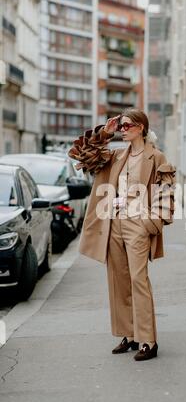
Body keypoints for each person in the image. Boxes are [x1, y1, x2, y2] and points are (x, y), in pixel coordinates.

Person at [68, 108, 176, 361]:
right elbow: (85, 158)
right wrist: (105, 133)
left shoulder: (156, 157)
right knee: (118, 280)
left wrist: (153, 223)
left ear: (141, 127)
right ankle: (129, 334)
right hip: (114, 223)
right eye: (121, 126)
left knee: (138, 279)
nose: (123, 130)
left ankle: (148, 340)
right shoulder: (117, 156)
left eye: (127, 125)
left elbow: (166, 190)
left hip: (138, 223)